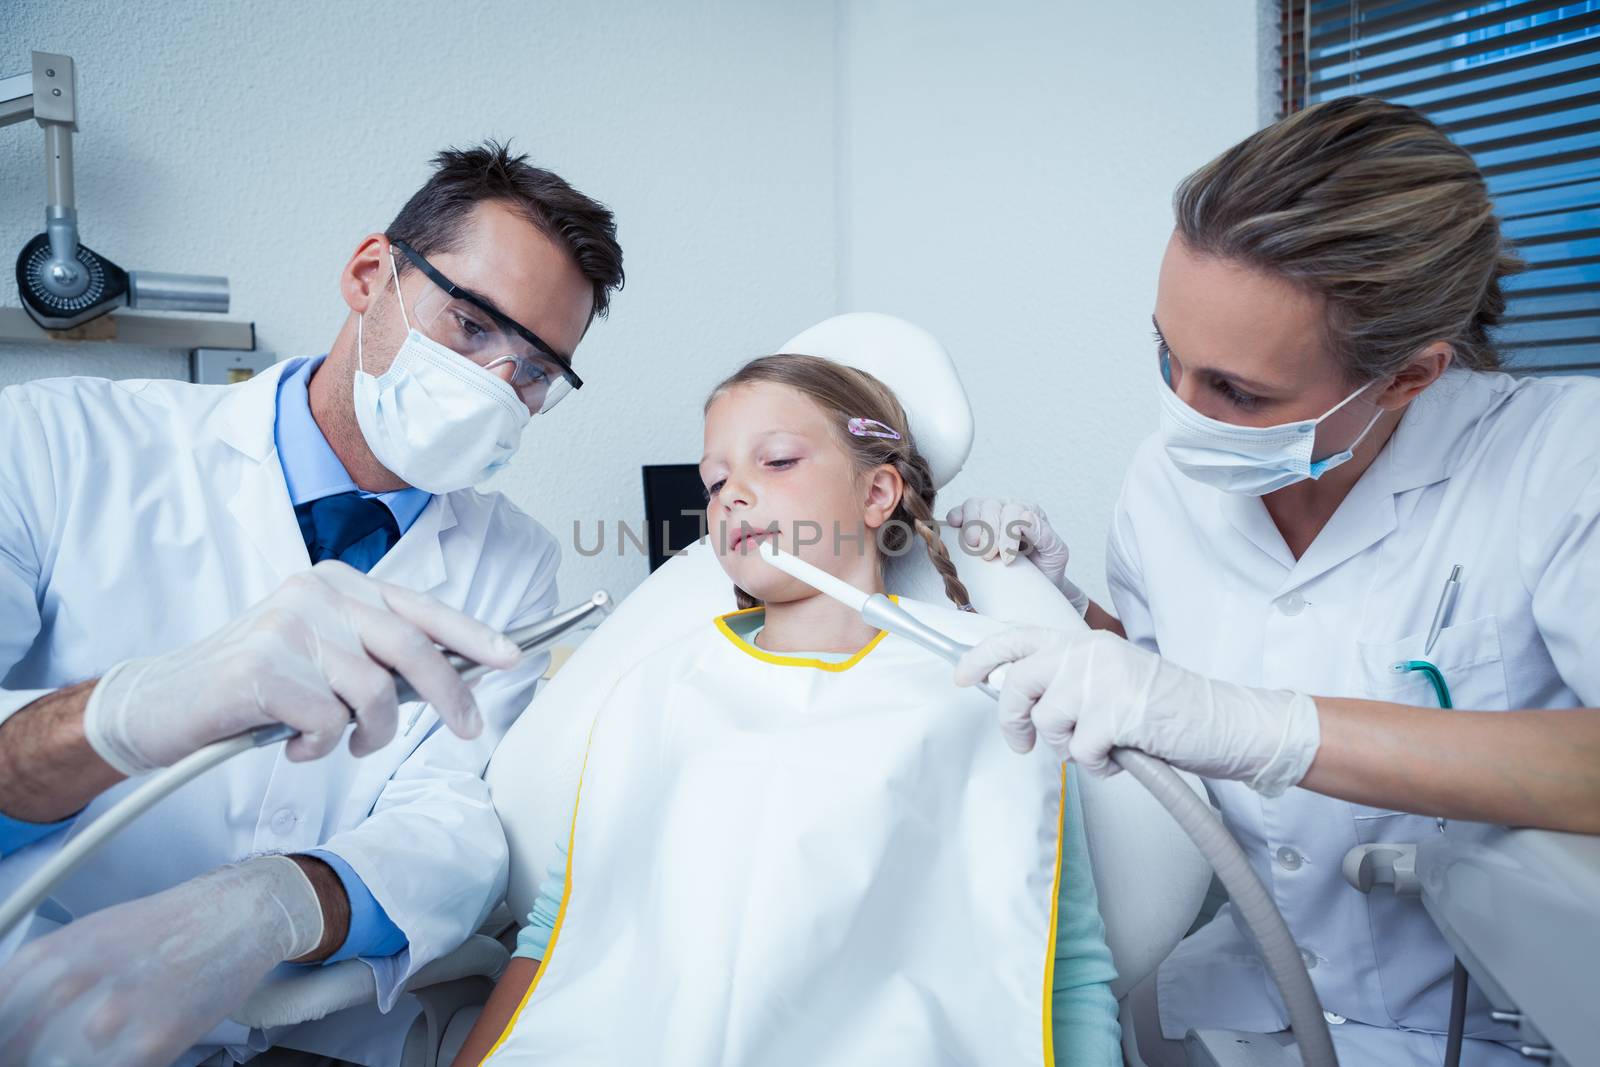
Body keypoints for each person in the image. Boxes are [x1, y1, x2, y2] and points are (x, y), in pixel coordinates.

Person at [946, 96, 1600, 1067]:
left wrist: (1274, 730)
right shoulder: (1168, 483)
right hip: (1236, 1006)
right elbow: (1177, 690)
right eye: (1168, 353)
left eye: (1237, 391)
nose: (1180, 411)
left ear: (1408, 375)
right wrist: (1068, 612)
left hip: (1497, 1023)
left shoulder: (1561, 459)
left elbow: (1233, 708)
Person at [0, 141, 625, 1067]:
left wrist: (273, 905)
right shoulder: (54, 444)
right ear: (371, 275)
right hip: (34, 1010)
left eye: (537, 372)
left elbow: (453, 817)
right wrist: (121, 714)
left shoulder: (515, 560)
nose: (499, 389)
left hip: (310, 1036)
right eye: (471, 325)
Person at [450, 355, 1122, 1066]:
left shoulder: (986, 685)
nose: (732, 493)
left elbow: (1061, 962)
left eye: (774, 460)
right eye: (713, 481)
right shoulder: (658, 688)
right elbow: (562, 932)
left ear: (878, 492)